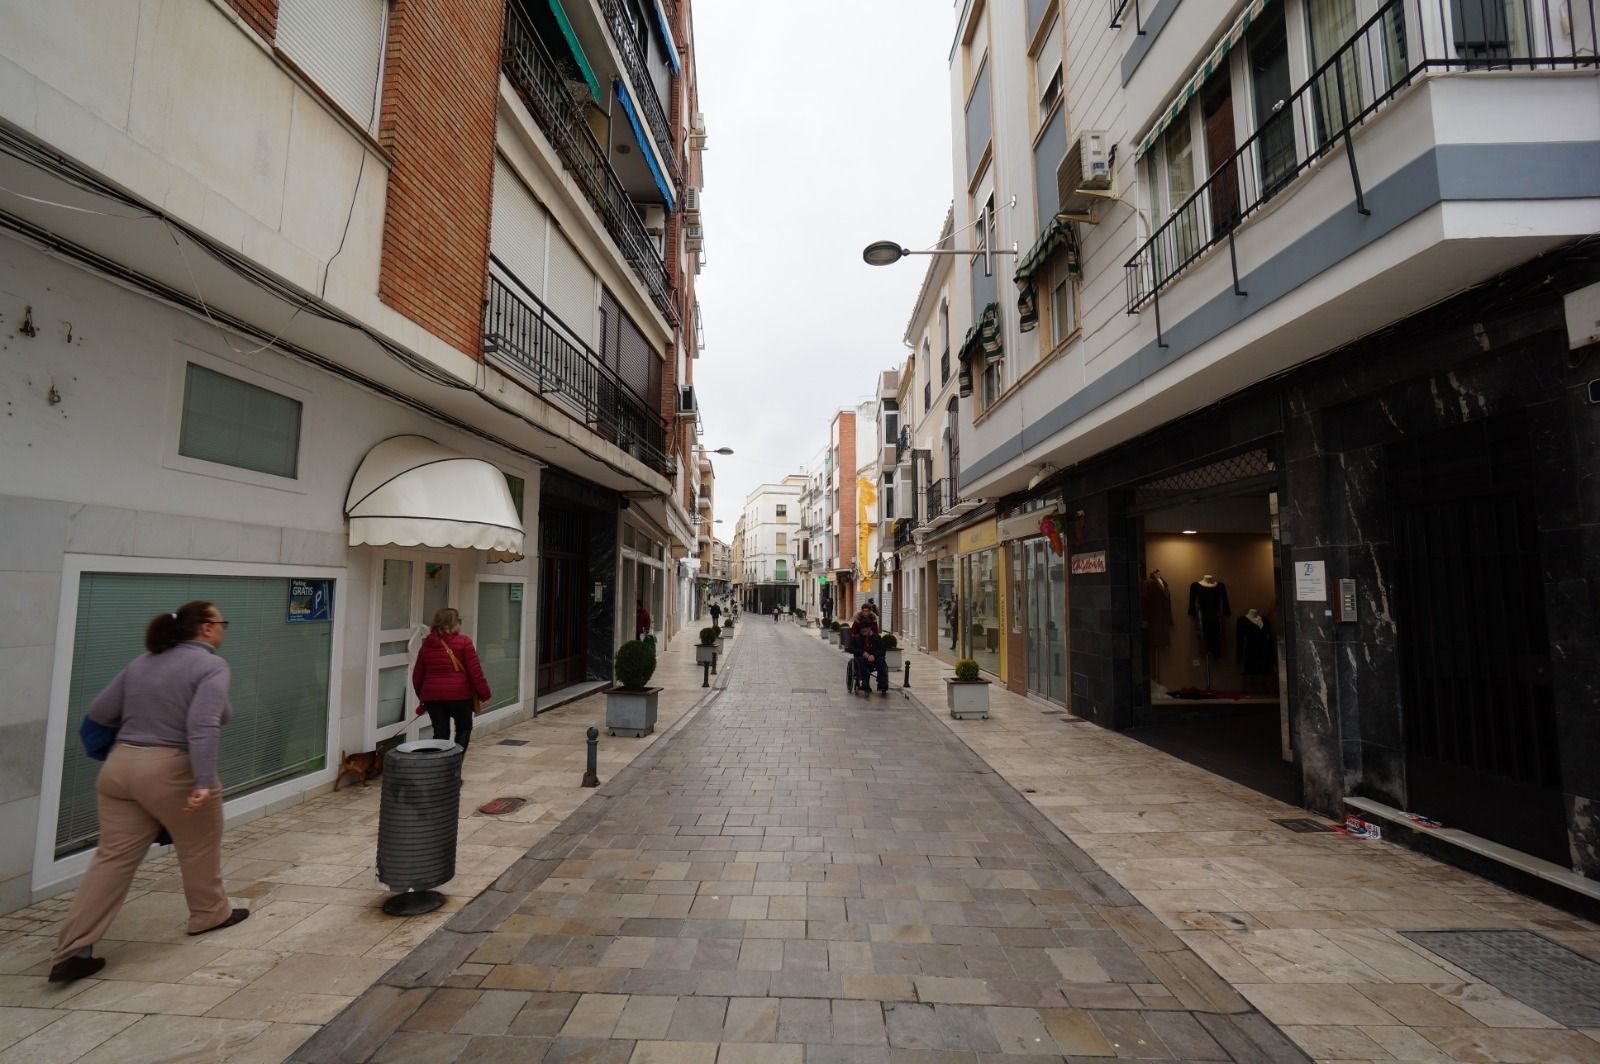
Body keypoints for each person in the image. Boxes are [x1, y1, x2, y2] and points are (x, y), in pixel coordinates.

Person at [51, 601, 247, 984]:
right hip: (171, 769)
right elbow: (203, 725)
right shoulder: (211, 666)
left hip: (120, 769)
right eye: (222, 621)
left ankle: (73, 950)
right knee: (199, 847)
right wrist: (203, 781)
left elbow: (100, 711)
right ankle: (209, 914)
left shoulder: (143, 662)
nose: (224, 628)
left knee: (112, 859)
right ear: (206, 629)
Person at [412, 607, 491, 752]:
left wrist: (423, 696)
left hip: (432, 697)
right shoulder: (464, 642)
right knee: (463, 728)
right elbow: (475, 672)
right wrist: (484, 694)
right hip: (459, 695)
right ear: (455, 623)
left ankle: (440, 768)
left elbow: (417, 676)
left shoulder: (426, 645)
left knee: (440, 733)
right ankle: (454, 766)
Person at [849, 610, 889, 695]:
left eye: (866, 631)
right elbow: (851, 648)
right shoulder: (857, 638)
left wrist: (874, 655)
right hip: (862, 658)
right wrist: (863, 653)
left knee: (881, 660)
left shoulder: (876, 638)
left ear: (869, 629)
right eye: (862, 631)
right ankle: (865, 683)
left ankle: (882, 683)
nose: (864, 633)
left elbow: (882, 649)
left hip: (875, 658)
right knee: (861, 660)